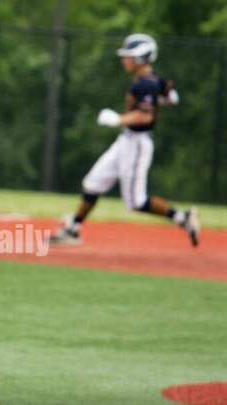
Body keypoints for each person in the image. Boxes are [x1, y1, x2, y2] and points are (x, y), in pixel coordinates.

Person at [50, 33, 200, 247]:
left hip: (138, 143)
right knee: (92, 183)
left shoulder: (145, 84)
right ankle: (73, 229)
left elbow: (146, 115)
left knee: (136, 202)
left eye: (129, 56)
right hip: (127, 141)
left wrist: (118, 119)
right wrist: (167, 96)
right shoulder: (151, 81)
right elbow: (168, 91)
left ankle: (183, 218)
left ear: (141, 58)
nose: (124, 60)